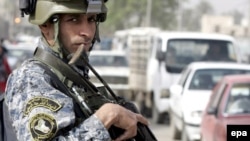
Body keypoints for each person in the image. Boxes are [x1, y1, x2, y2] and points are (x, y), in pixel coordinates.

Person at [3, 0, 149, 141]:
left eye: (91, 19)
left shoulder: (71, 77)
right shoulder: (31, 79)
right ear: (45, 25)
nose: (87, 32)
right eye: (74, 20)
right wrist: (106, 117)